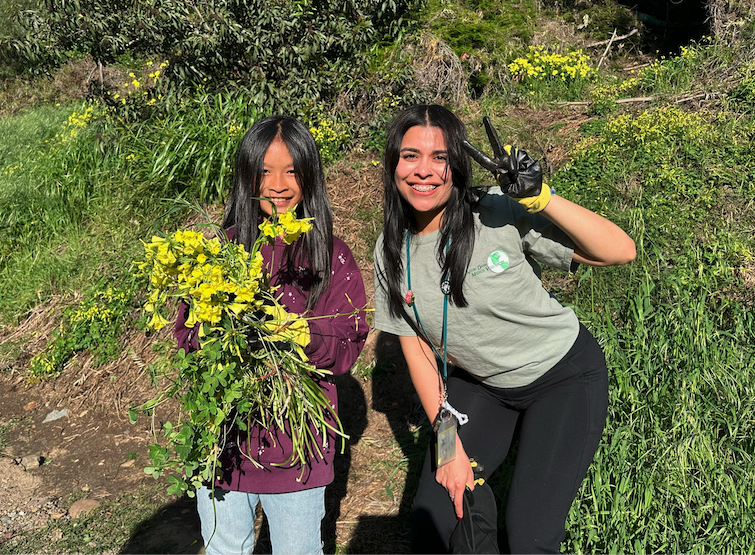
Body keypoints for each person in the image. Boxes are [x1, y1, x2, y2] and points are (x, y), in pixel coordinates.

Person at [373, 105, 635, 554]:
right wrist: (447, 442)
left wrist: (541, 198)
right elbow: (415, 346)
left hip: (563, 377)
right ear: (393, 164)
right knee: (434, 516)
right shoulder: (390, 250)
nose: (424, 171)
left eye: (439, 158)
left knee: (530, 536)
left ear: (457, 165)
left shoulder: (494, 211)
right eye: (410, 155)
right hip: (483, 385)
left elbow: (619, 251)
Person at [175, 116, 369, 555]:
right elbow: (186, 337)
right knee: (225, 548)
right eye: (264, 171)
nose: (278, 184)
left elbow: (349, 340)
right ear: (247, 177)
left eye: (291, 170)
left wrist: (302, 336)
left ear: (310, 176)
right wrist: (217, 331)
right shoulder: (219, 252)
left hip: (295, 453)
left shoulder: (330, 254)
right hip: (223, 441)